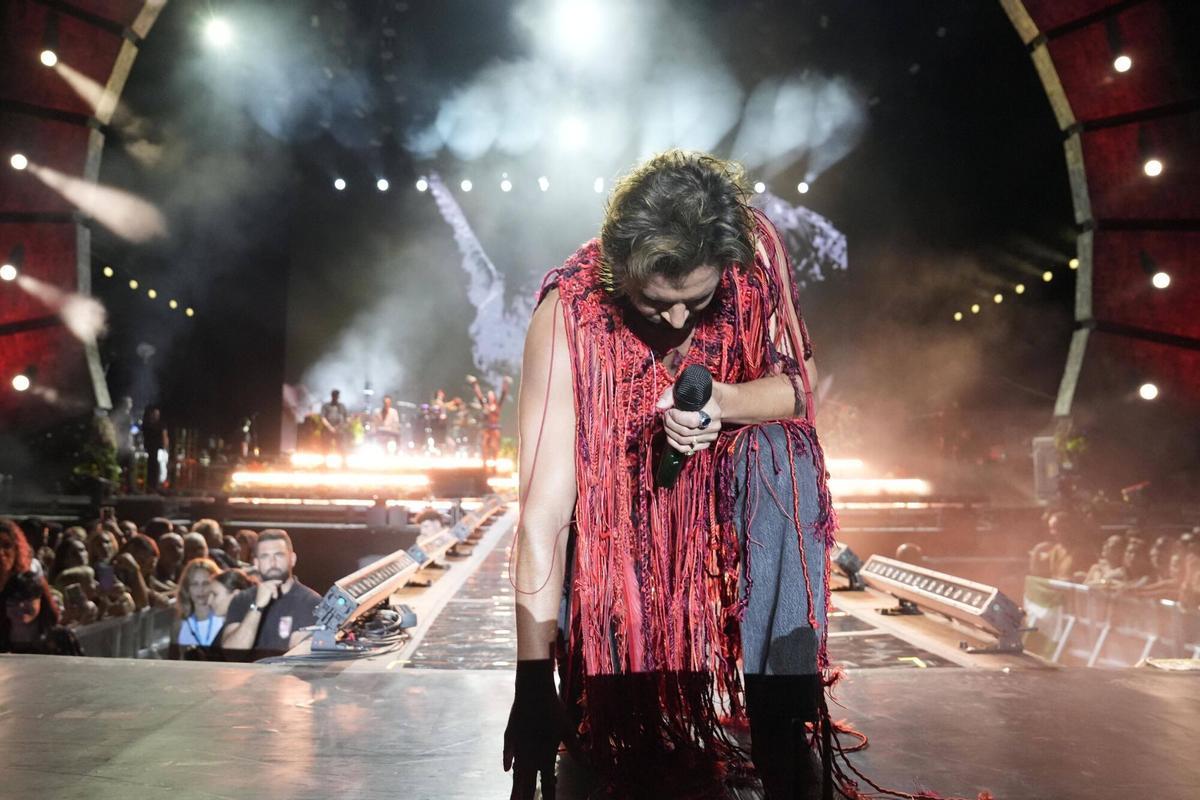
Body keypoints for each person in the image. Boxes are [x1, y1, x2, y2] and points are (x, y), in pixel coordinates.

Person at [505, 152, 836, 799]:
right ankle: (611, 681)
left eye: (697, 301)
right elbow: (543, 518)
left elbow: (802, 390)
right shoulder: (566, 315)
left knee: (783, 454)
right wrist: (530, 683)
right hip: (617, 554)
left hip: (719, 513)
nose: (680, 322)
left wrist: (723, 402)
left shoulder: (755, 251)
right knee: (613, 732)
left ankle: (781, 710)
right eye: (659, 305)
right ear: (620, 271)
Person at [220, 529, 320, 660]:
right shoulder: (242, 599)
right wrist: (257, 607)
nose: (272, 563)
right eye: (265, 556)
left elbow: (311, 661)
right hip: (246, 678)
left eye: (279, 555)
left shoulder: (312, 602)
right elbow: (232, 654)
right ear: (256, 563)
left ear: (292, 559)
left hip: (290, 679)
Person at [1, 571, 82, 655]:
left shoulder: (61, 637)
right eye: (13, 601)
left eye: (27, 599)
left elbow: (79, 666)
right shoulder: (2, 638)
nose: (20, 606)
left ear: (41, 601)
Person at [172, 558, 223, 657]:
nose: (201, 589)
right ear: (187, 588)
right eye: (195, 584)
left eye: (206, 583)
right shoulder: (180, 624)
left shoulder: (224, 619)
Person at [467, 375, 511, 466]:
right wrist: (474, 383)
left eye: (492, 396)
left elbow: (503, 394)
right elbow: (478, 394)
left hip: (495, 429)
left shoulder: (498, 405)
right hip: (487, 429)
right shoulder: (485, 406)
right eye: (489, 396)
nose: (490, 397)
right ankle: (484, 464)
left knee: (495, 447)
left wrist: (506, 384)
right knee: (484, 446)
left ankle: (494, 464)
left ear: (494, 397)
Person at [320, 389, 349, 453]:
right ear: (332, 396)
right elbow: (323, 417)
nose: (336, 398)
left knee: (341, 446)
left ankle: (343, 460)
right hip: (327, 430)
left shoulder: (342, 406)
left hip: (339, 430)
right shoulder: (326, 406)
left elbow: (346, 418)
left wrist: (340, 426)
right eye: (335, 396)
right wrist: (330, 427)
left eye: (337, 396)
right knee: (326, 446)